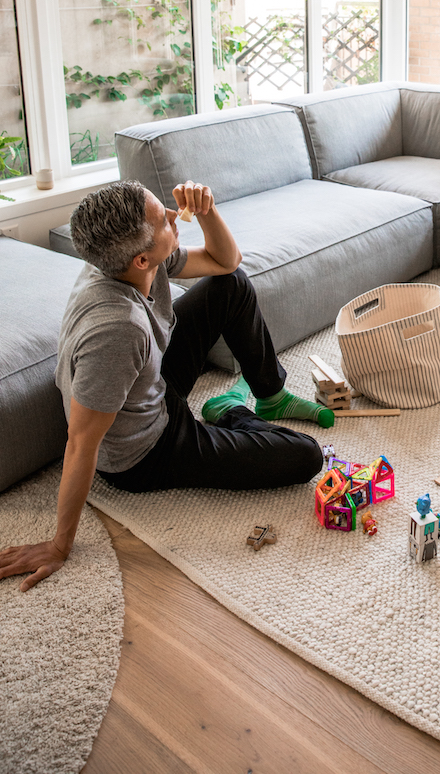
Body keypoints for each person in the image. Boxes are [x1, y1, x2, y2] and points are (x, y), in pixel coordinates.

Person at [0, 179, 326, 592]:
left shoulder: (132, 261)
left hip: (150, 381)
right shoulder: (115, 331)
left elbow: (227, 262)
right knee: (306, 456)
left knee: (234, 284)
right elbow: (81, 443)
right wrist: (59, 545)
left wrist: (206, 210)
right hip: (147, 450)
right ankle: (230, 412)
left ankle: (270, 395)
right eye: (165, 222)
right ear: (141, 258)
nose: (174, 217)